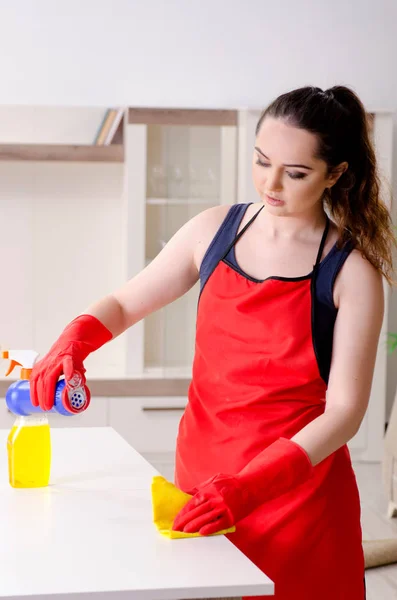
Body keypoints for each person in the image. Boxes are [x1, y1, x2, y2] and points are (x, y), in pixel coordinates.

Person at [30, 86, 394, 600]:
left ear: (334, 174)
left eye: (295, 173)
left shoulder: (350, 272)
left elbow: (344, 414)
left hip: (296, 500)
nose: (271, 183)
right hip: (202, 481)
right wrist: (74, 342)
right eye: (262, 160)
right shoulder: (213, 231)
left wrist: (249, 486)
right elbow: (125, 303)